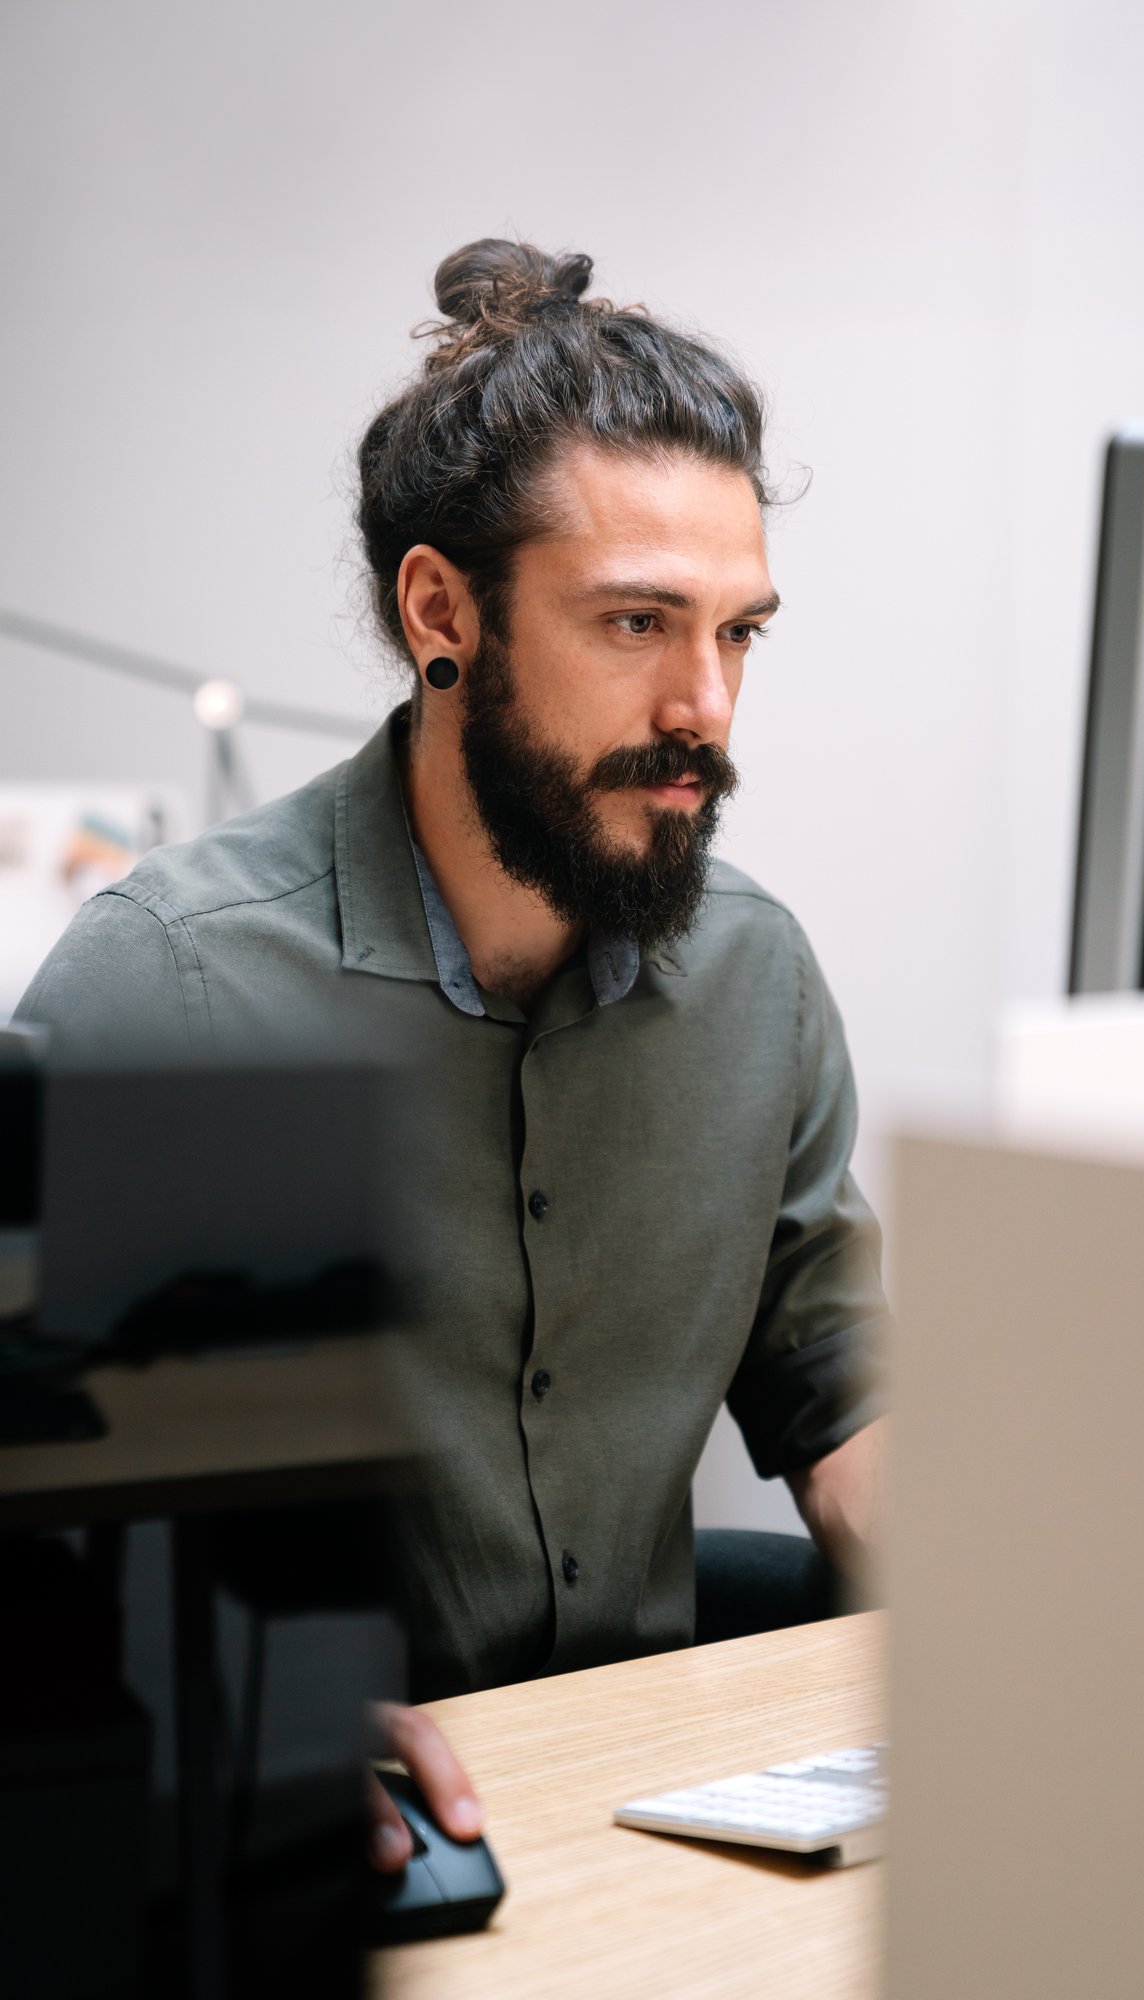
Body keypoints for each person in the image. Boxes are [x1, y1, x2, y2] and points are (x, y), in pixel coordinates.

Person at [16, 239, 890, 1870]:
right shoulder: (177, 989)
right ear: (442, 614)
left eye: (740, 633)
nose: (705, 704)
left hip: (650, 1813)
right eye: (636, 621)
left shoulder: (753, 973)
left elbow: (835, 1383)